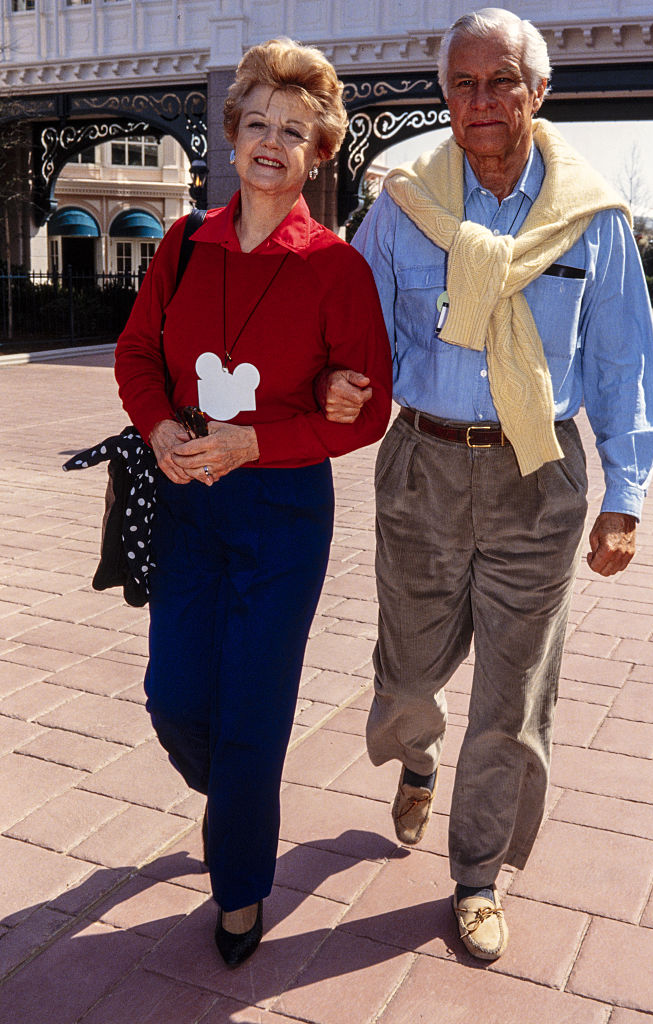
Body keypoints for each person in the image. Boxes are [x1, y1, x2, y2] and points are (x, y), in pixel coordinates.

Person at [322, 7, 653, 960]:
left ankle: (477, 874)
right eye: (463, 84)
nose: (480, 102)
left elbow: (621, 365)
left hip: (536, 471)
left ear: (537, 93)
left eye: (500, 82)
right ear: (445, 97)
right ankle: (416, 756)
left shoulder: (591, 219)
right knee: (408, 675)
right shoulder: (398, 205)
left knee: (514, 698)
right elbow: (356, 331)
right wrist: (340, 379)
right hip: (422, 468)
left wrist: (624, 496)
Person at [114, 37, 392, 968]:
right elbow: (136, 355)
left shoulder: (336, 269)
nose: (273, 142)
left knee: (254, 713)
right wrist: (158, 429)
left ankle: (239, 889)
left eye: (296, 131)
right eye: (259, 124)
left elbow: (368, 412)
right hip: (189, 502)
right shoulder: (184, 244)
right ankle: (238, 797)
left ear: (318, 153)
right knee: (174, 701)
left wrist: (257, 442)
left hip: (281, 517)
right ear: (232, 135)